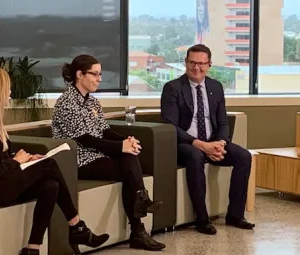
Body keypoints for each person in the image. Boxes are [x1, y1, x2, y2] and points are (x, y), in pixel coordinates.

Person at [0, 67, 109, 255]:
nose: (10, 93)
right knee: (49, 165)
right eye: (7, 89)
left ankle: (33, 248)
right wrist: (16, 162)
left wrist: (21, 159)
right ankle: (77, 226)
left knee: (50, 185)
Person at [51, 55, 166, 251]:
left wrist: (125, 140)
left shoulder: (93, 102)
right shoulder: (66, 102)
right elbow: (85, 139)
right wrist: (121, 147)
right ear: (79, 74)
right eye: (94, 74)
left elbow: (105, 131)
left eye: (100, 74)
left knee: (129, 158)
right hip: (79, 160)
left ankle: (140, 212)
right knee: (129, 166)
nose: (99, 79)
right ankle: (139, 223)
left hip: (97, 155)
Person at [160, 44, 255, 235]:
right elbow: (171, 127)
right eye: (193, 63)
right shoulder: (172, 88)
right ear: (185, 63)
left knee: (244, 156)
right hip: (184, 144)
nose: (197, 68)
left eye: (202, 64)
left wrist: (220, 143)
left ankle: (235, 215)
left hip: (212, 142)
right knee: (195, 155)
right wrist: (202, 145)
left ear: (209, 64)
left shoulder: (215, 87)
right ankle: (202, 220)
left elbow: (223, 122)